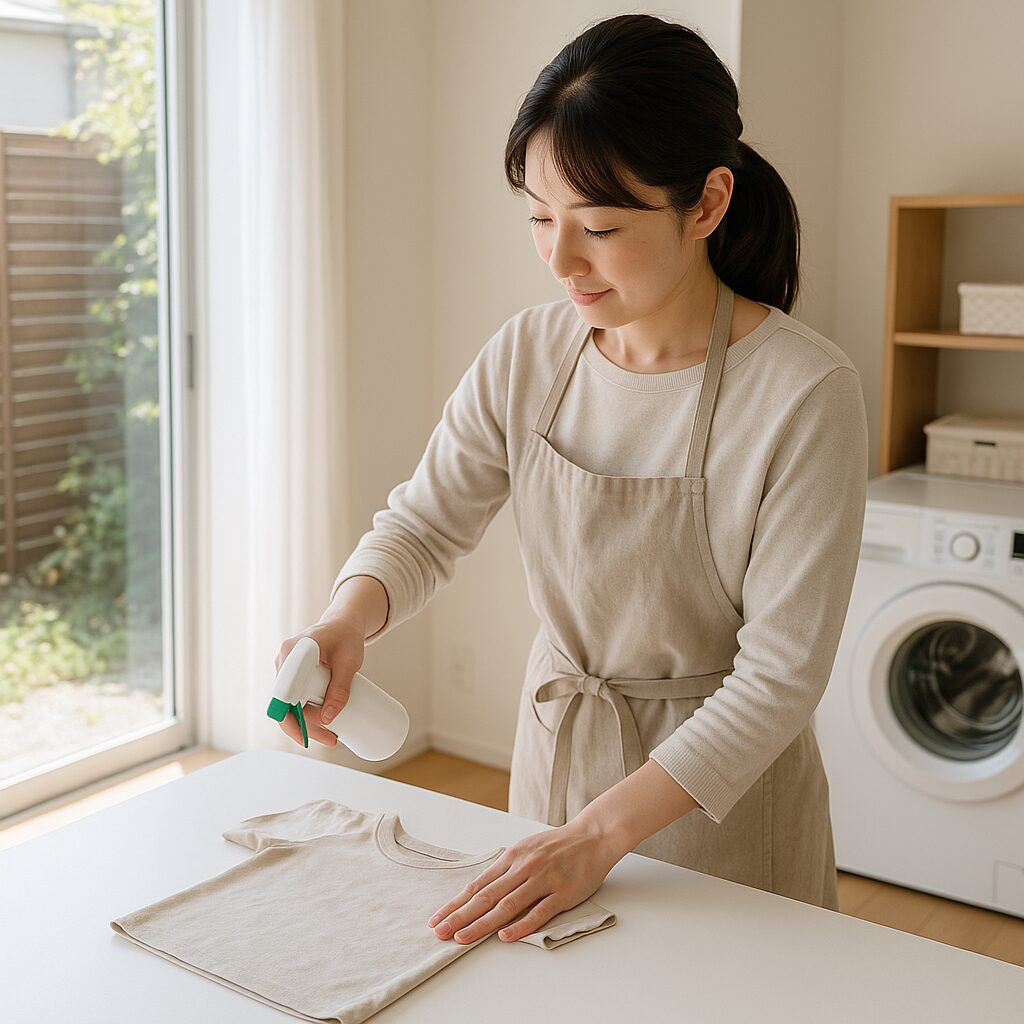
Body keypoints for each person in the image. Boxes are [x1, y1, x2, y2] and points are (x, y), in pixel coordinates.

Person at [275, 13, 868, 945]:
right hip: (554, 773)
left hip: (718, 808)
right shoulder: (529, 353)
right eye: (541, 221)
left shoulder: (804, 392)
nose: (559, 260)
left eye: (598, 226)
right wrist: (348, 616)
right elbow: (426, 523)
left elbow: (779, 679)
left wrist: (596, 837)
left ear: (707, 204)